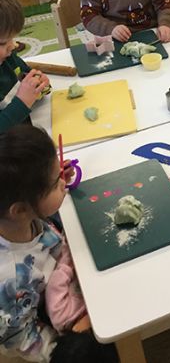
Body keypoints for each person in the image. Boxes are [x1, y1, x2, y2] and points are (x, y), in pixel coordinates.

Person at [0, 125, 118, 363]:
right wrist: (74, 338)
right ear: (20, 210)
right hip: (53, 324)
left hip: (64, 279)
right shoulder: (10, 279)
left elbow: (45, 215)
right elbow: (21, 339)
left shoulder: (18, 216)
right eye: (55, 184)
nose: (63, 183)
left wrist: (52, 179)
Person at [0, 0, 51, 133]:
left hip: (29, 126)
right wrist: (23, 102)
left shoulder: (9, 60)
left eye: (12, 38)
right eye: (3, 43)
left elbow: (28, 79)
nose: (13, 46)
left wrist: (39, 87)